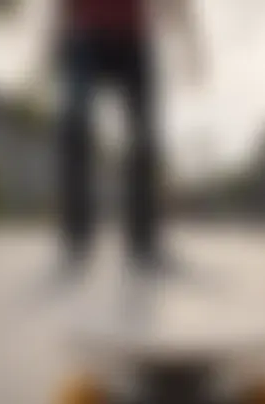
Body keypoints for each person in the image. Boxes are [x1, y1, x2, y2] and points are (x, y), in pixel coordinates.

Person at [57, 0, 201, 276]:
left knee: (144, 135)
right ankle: (77, 233)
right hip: (86, 37)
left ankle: (142, 237)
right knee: (75, 128)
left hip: (133, 39)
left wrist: (191, 47)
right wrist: (55, 42)